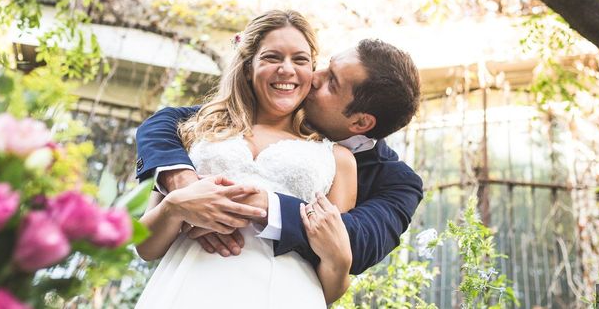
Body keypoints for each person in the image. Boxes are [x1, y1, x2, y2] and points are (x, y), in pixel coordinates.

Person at [135, 20, 424, 295]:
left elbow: (351, 244)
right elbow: (164, 123)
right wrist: (183, 191)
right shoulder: (211, 127)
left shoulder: (392, 181)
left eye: (331, 83)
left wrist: (251, 203)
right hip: (186, 281)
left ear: (360, 124)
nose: (312, 77)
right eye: (323, 66)